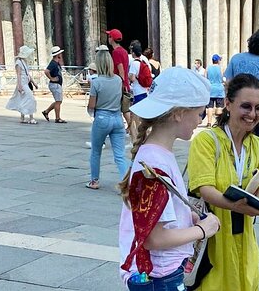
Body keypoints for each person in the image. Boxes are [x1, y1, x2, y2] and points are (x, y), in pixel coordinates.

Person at [118, 67, 221, 290]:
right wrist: (204, 230)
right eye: (199, 113)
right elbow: (153, 238)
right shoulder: (156, 163)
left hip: (158, 272)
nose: (200, 120)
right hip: (159, 275)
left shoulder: (156, 153)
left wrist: (189, 215)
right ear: (179, 113)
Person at [187, 74, 259, 291]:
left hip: (245, 237)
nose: (253, 114)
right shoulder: (207, 141)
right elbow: (205, 189)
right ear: (227, 104)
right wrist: (234, 205)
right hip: (212, 238)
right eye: (246, 106)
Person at [86, 47, 130, 190]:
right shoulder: (118, 80)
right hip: (117, 118)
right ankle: (126, 183)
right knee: (120, 155)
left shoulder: (97, 82)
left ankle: (94, 181)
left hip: (102, 117)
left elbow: (92, 105)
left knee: (96, 151)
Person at [224, 30, 259, 140]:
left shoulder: (236, 58)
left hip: (237, 106)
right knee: (258, 141)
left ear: (250, 44)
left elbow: (227, 83)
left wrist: (229, 103)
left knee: (233, 139)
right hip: (257, 109)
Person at [5, 45, 38, 125]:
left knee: (23, 99)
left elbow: (27, 74)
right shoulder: (18, 63)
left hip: (26, 82)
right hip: (22, 84)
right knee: (31, 99)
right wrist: (19, 85)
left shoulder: (24, 62)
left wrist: (33, 82)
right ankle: (31, 118)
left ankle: (23, 117)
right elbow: (18, 74)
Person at [42, 46, 67, 123]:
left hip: (57, 84)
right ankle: (57, 118)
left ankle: (46, 111)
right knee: (58, 101)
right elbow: (46, 71)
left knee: (58, 101)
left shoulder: (56, 63)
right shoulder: (53, 63)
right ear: (57, 54)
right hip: (55, 84)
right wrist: (51, 78)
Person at [205, 54, 225, 127]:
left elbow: (205, 78)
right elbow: (223, 78)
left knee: (210, 107)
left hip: (210, 89)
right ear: (218, 60)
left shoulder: (208, 68)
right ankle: (218, 122)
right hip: (219, 89)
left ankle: (209, 123)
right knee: (219, 107)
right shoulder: (221, 68)